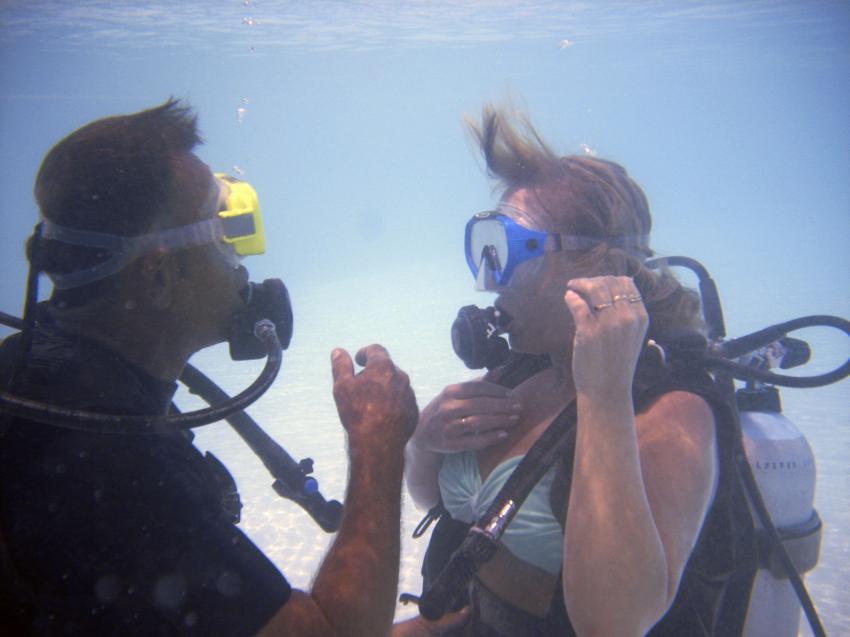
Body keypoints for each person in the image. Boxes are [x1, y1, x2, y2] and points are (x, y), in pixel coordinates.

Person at [0, 100, 463, 636]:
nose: (240, 259)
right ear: (159, 277)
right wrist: (377, 445)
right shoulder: (104, 455)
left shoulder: (45, 376)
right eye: (219, 232)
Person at [405, 105, 753, 636]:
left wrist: (604, 394)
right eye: (486, 250)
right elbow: (446, 505)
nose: (488, 281)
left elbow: (612, 624)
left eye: (513, 252)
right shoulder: (522, 368)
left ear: (602, 265)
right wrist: (425, 443)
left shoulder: (671, 413)